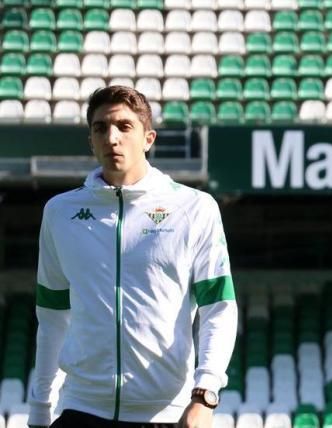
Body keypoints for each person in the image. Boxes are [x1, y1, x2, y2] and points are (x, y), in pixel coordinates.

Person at [28, 86, 238, 428]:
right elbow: (52, 316)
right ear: (91, 140)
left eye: (124, 127)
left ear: (148, 138)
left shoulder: (195, 208)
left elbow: (219, 308)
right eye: (100, 128)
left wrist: (205, 393)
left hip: (165, 413)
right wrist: (39, 411)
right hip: (81, 409)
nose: (112, 138)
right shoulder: (59, 212)